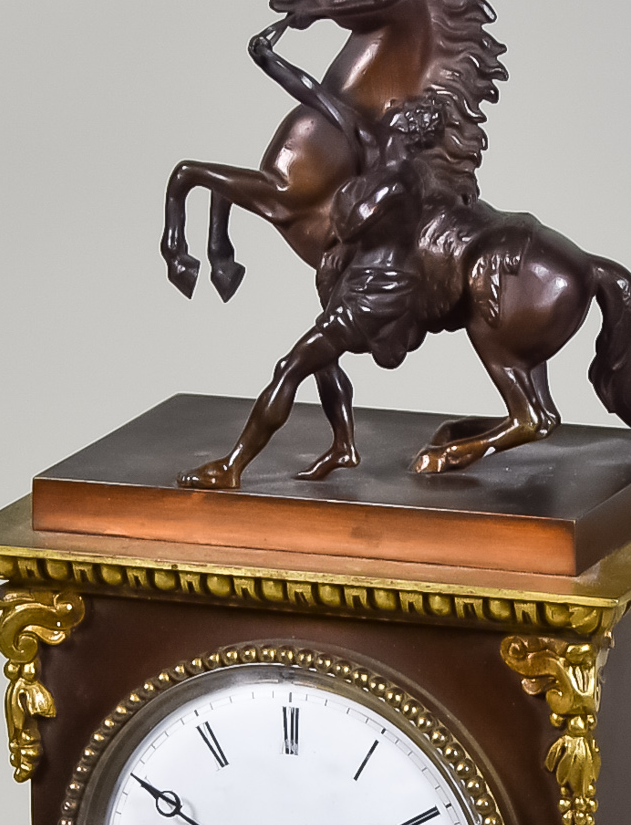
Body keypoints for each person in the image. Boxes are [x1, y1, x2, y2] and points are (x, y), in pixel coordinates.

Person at [178, 25, 459, 489]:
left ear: (410, 133)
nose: (394, 110)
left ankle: (231, 468)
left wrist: (336, 194)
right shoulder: (371, 145)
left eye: (404, 115)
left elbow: (347, 224)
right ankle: (344, 444)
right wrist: (269, 59)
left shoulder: (401, 183)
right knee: (325, 360)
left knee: (292, 366)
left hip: (379, 292)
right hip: (354, 280)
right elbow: (315, 95)